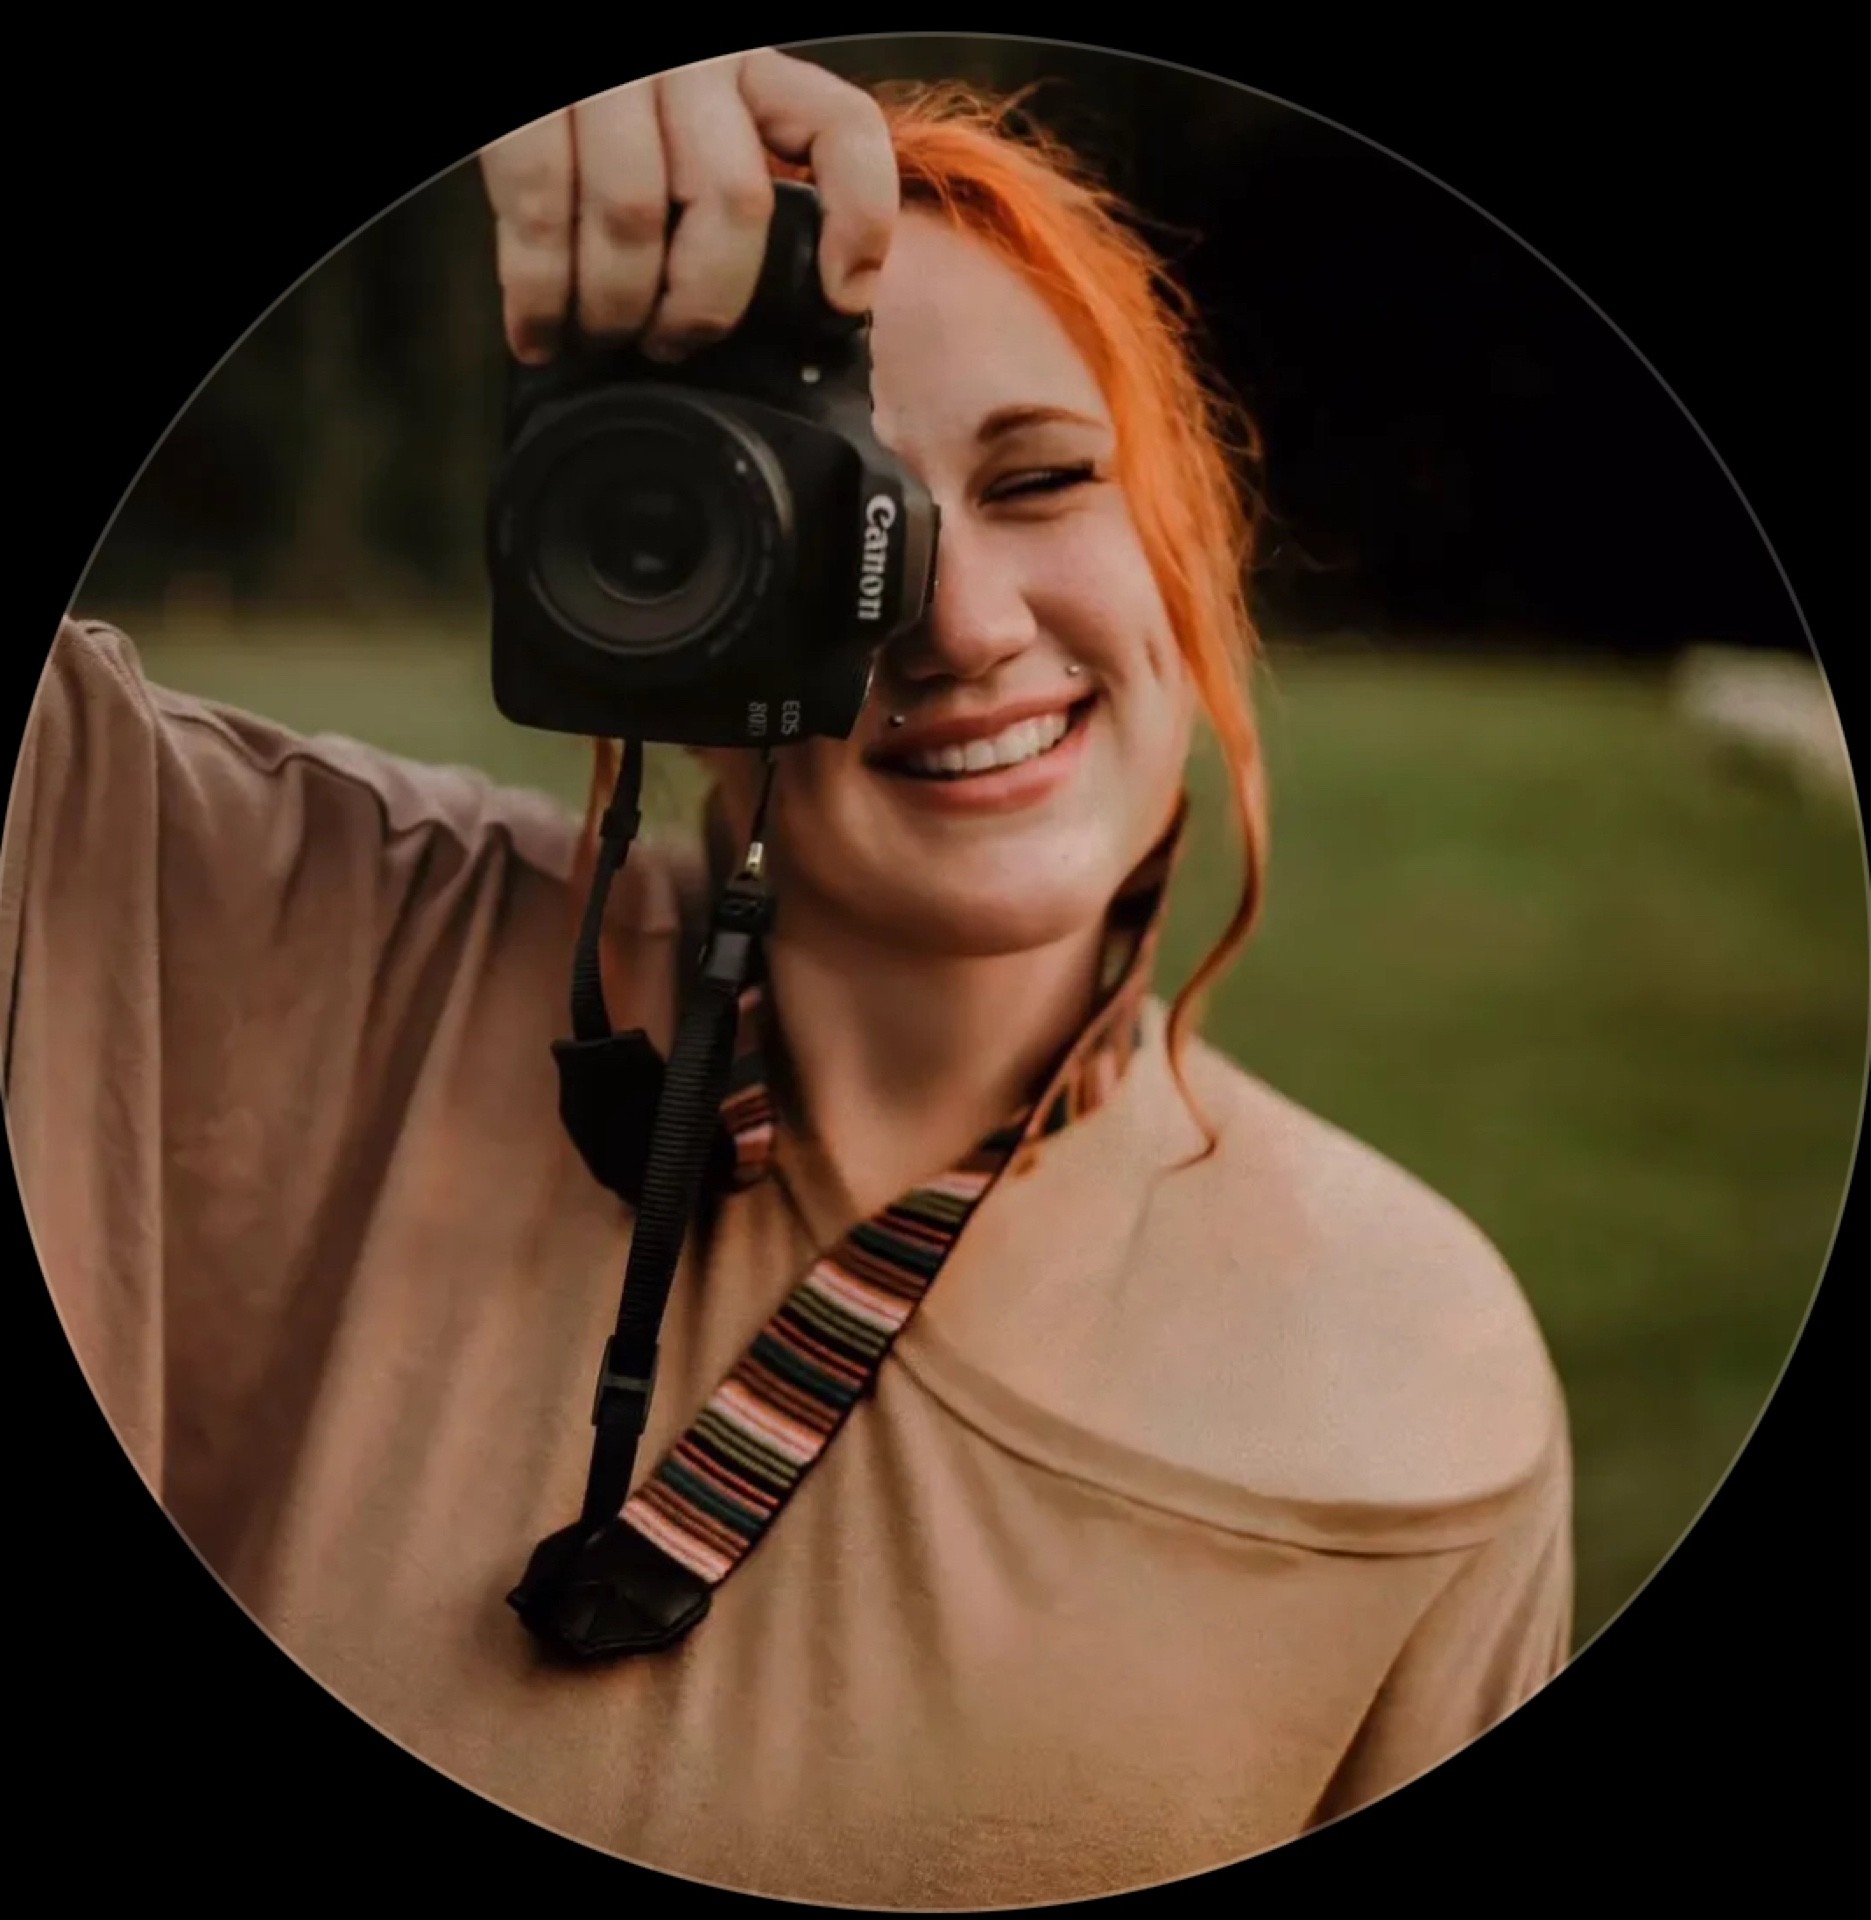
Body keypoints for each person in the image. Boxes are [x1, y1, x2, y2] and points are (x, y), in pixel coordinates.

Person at [1, 49, 1571, 1908]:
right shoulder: (271, 935)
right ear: (647, 600)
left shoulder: (1418, 1386)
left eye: (1044, 479)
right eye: (827, 519)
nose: (958, 621)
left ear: (1183, 533)